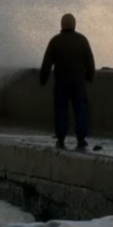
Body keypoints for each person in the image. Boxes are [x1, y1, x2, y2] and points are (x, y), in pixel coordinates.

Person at [40, 14, 96, 150]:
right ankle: (81, 139)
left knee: (61, 110)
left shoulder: (55, 41)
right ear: (74, 25)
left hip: (61, 82)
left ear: (62, 25)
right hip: (78, 82)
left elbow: (46, 63)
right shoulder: (82, 40)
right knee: (80, 109)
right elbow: (90, 61)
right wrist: (89, 77)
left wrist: (43, 79)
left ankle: (61, 139)